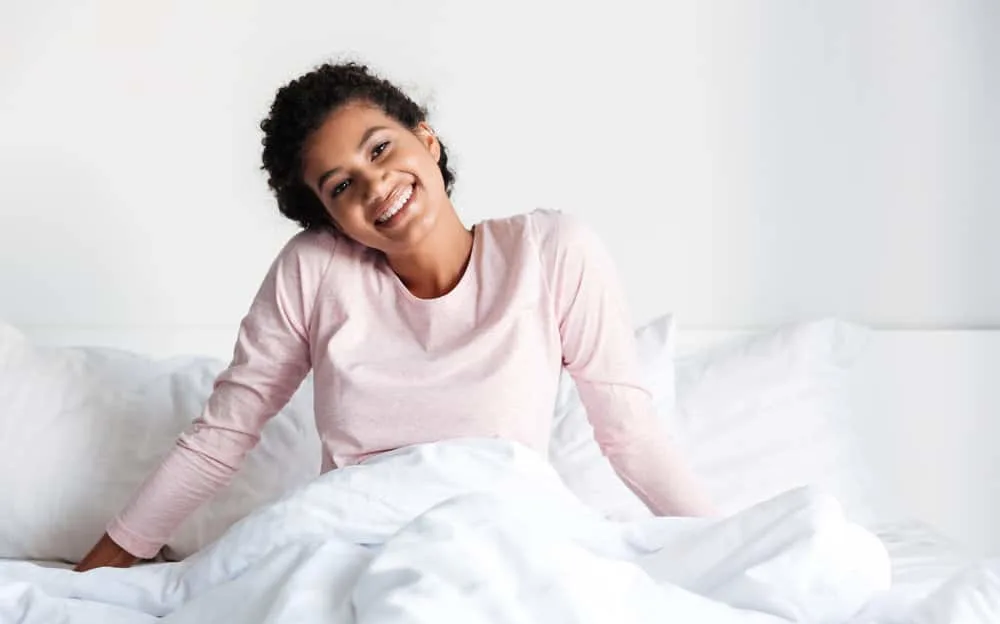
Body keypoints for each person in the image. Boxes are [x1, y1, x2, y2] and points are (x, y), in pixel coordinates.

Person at [75, 61, 712, 572]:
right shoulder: (315, 269)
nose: (375, 185)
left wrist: (720, 545)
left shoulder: (551, 253)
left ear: (427, 140)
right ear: (331, 219)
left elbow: (628, 431)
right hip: (349, 549)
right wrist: (96, 571)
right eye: (341, 186)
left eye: (380, 149)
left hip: (502, 544)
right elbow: (222, 436)